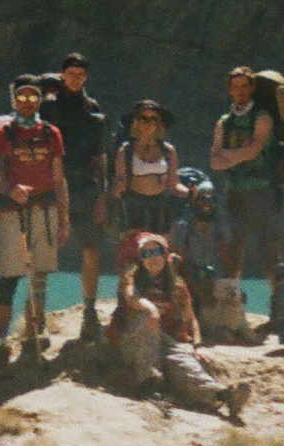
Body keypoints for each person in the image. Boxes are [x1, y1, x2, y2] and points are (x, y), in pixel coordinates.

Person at [108, 233, 250, 418]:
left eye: (156, 252)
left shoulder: (176, 287)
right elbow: (131, 296)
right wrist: (150, 308)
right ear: (141, 259)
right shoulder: (131, 279)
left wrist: (197, 346)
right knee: (146, 319)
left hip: (161, 345)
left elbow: (191, 319)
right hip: (131, 341)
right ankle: (149, 387)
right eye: (146, 254)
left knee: (181, 361)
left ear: (165, 255)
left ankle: (222, 395)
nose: (152, 258)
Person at [0, 75, 69, 371]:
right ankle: (0, 342)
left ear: (39, 100)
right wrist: (11, 190)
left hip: (45, 210)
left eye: (32, 96)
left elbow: (58, 178)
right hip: (14, 212)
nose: (27, 102)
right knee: (9, 278)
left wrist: (64, 219)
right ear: (13, 100)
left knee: (40, 276)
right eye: (21, 97)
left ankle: (34, 333)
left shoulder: (50, 133)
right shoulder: (1, 134)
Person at [41, 54, 109, 343]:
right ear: (62, 74)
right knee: (44, 249)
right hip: (51, 184)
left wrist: (102, 194)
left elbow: (100, 154)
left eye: (80, 74)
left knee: (91, 248)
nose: (75, 78)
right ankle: (36, 315)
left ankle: (90, 310)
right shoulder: (48, 107)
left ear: (86, 77)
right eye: (70, 73)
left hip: (84, 185)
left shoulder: (92, 108)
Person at [209, 67, 275, 280]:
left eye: (244, 86)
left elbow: (254, 150)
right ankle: (231, 296)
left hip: (262, 192)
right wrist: (240, 155)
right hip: (234, 192)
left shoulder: (262, 117)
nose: (240, 91)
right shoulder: (224, 122)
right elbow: (214, 162)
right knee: (233, 250)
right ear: (230, 90)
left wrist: (226, 155)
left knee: (269, 250)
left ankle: (279, 296)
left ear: (252, 88)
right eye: (235, 86)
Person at [111, 100, 186, 261]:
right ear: (136, 122)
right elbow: (119, 183)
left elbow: (174, 184)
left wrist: (190, 192)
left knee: (161, 255)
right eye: (143, 119)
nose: (148, 123)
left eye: (153, 119)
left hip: (161, 207)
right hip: (134, 207)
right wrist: (115, 195)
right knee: (134, 255)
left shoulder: (168, 150)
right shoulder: (126, 151)